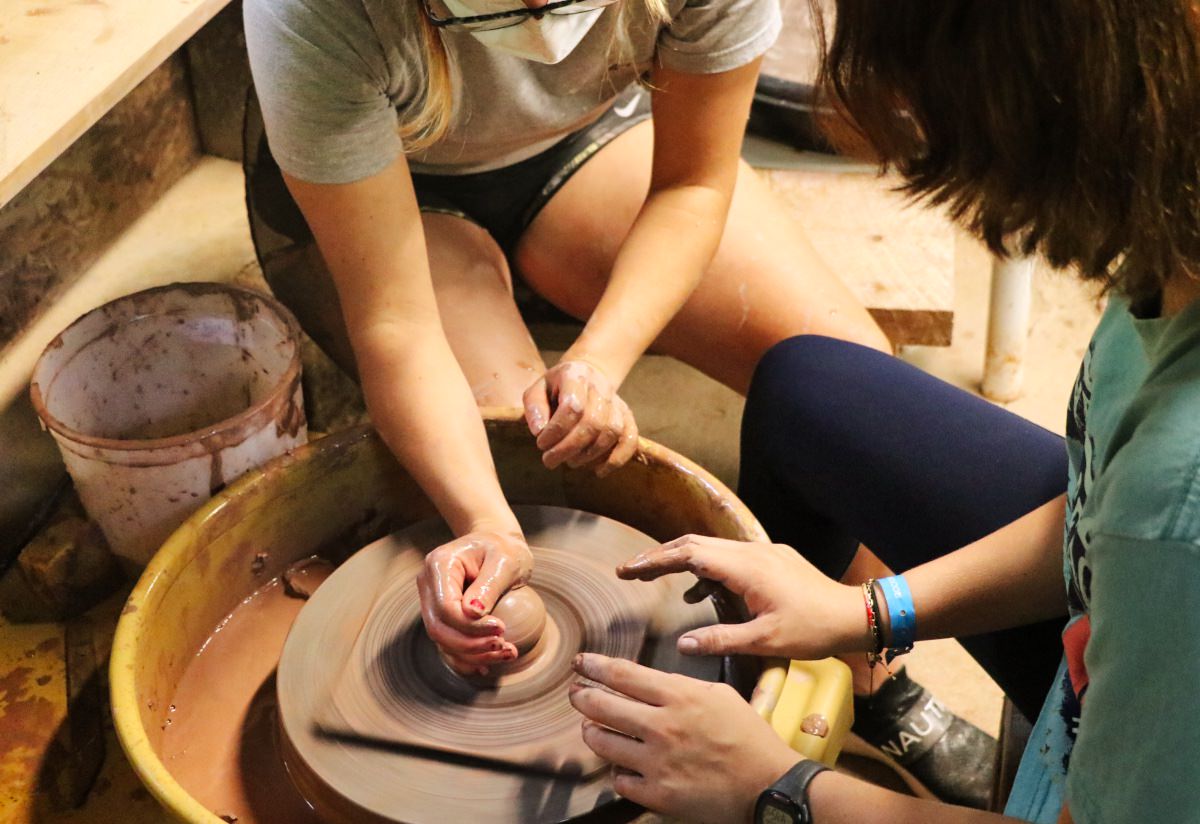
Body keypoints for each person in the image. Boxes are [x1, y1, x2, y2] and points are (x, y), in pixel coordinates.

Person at [568, 1, 1200, 822]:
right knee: (808, 387)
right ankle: (876, 688)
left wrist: (778, 786)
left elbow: (1144, 519)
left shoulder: (1174, 508)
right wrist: (866, 611)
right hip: (1130, 611)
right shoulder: (1174, 212)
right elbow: (1096, 509)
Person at [241, 0, 890, 683]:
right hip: (391, 184)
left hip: (583, 134)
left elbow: (692, 186)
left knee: (862, 392)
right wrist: (488, 523)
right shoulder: (312, 11)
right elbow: (397, 324)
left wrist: (597, 362)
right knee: (523, 469)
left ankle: (873, 682)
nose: (537, 13)